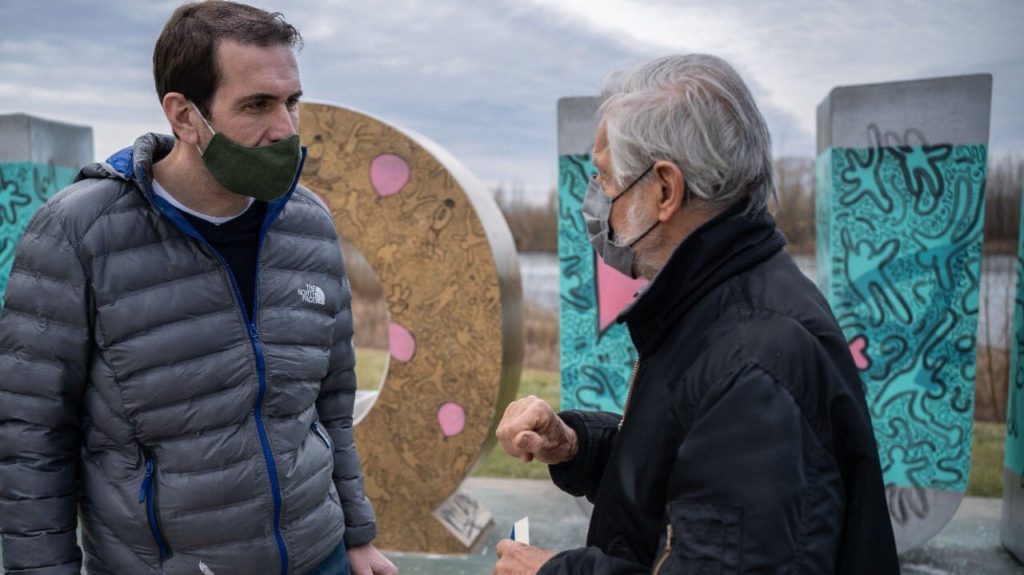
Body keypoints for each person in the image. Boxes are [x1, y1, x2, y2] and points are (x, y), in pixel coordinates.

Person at [0, 2, 397, 574]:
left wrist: (356, 537)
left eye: (292, 102)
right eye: (257, 105)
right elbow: (31, 435)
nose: (285, 129)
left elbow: (331, 402)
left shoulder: (309, 222)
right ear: (184, 116)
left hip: (320, 555)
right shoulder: (78, 232)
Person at [494, 54, 899, 574]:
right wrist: (575, 446)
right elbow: (691, 468)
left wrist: (552, 572)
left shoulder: (754, 361)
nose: (596, 202)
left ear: (664, 189)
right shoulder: (720, 301)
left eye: (606, 180)